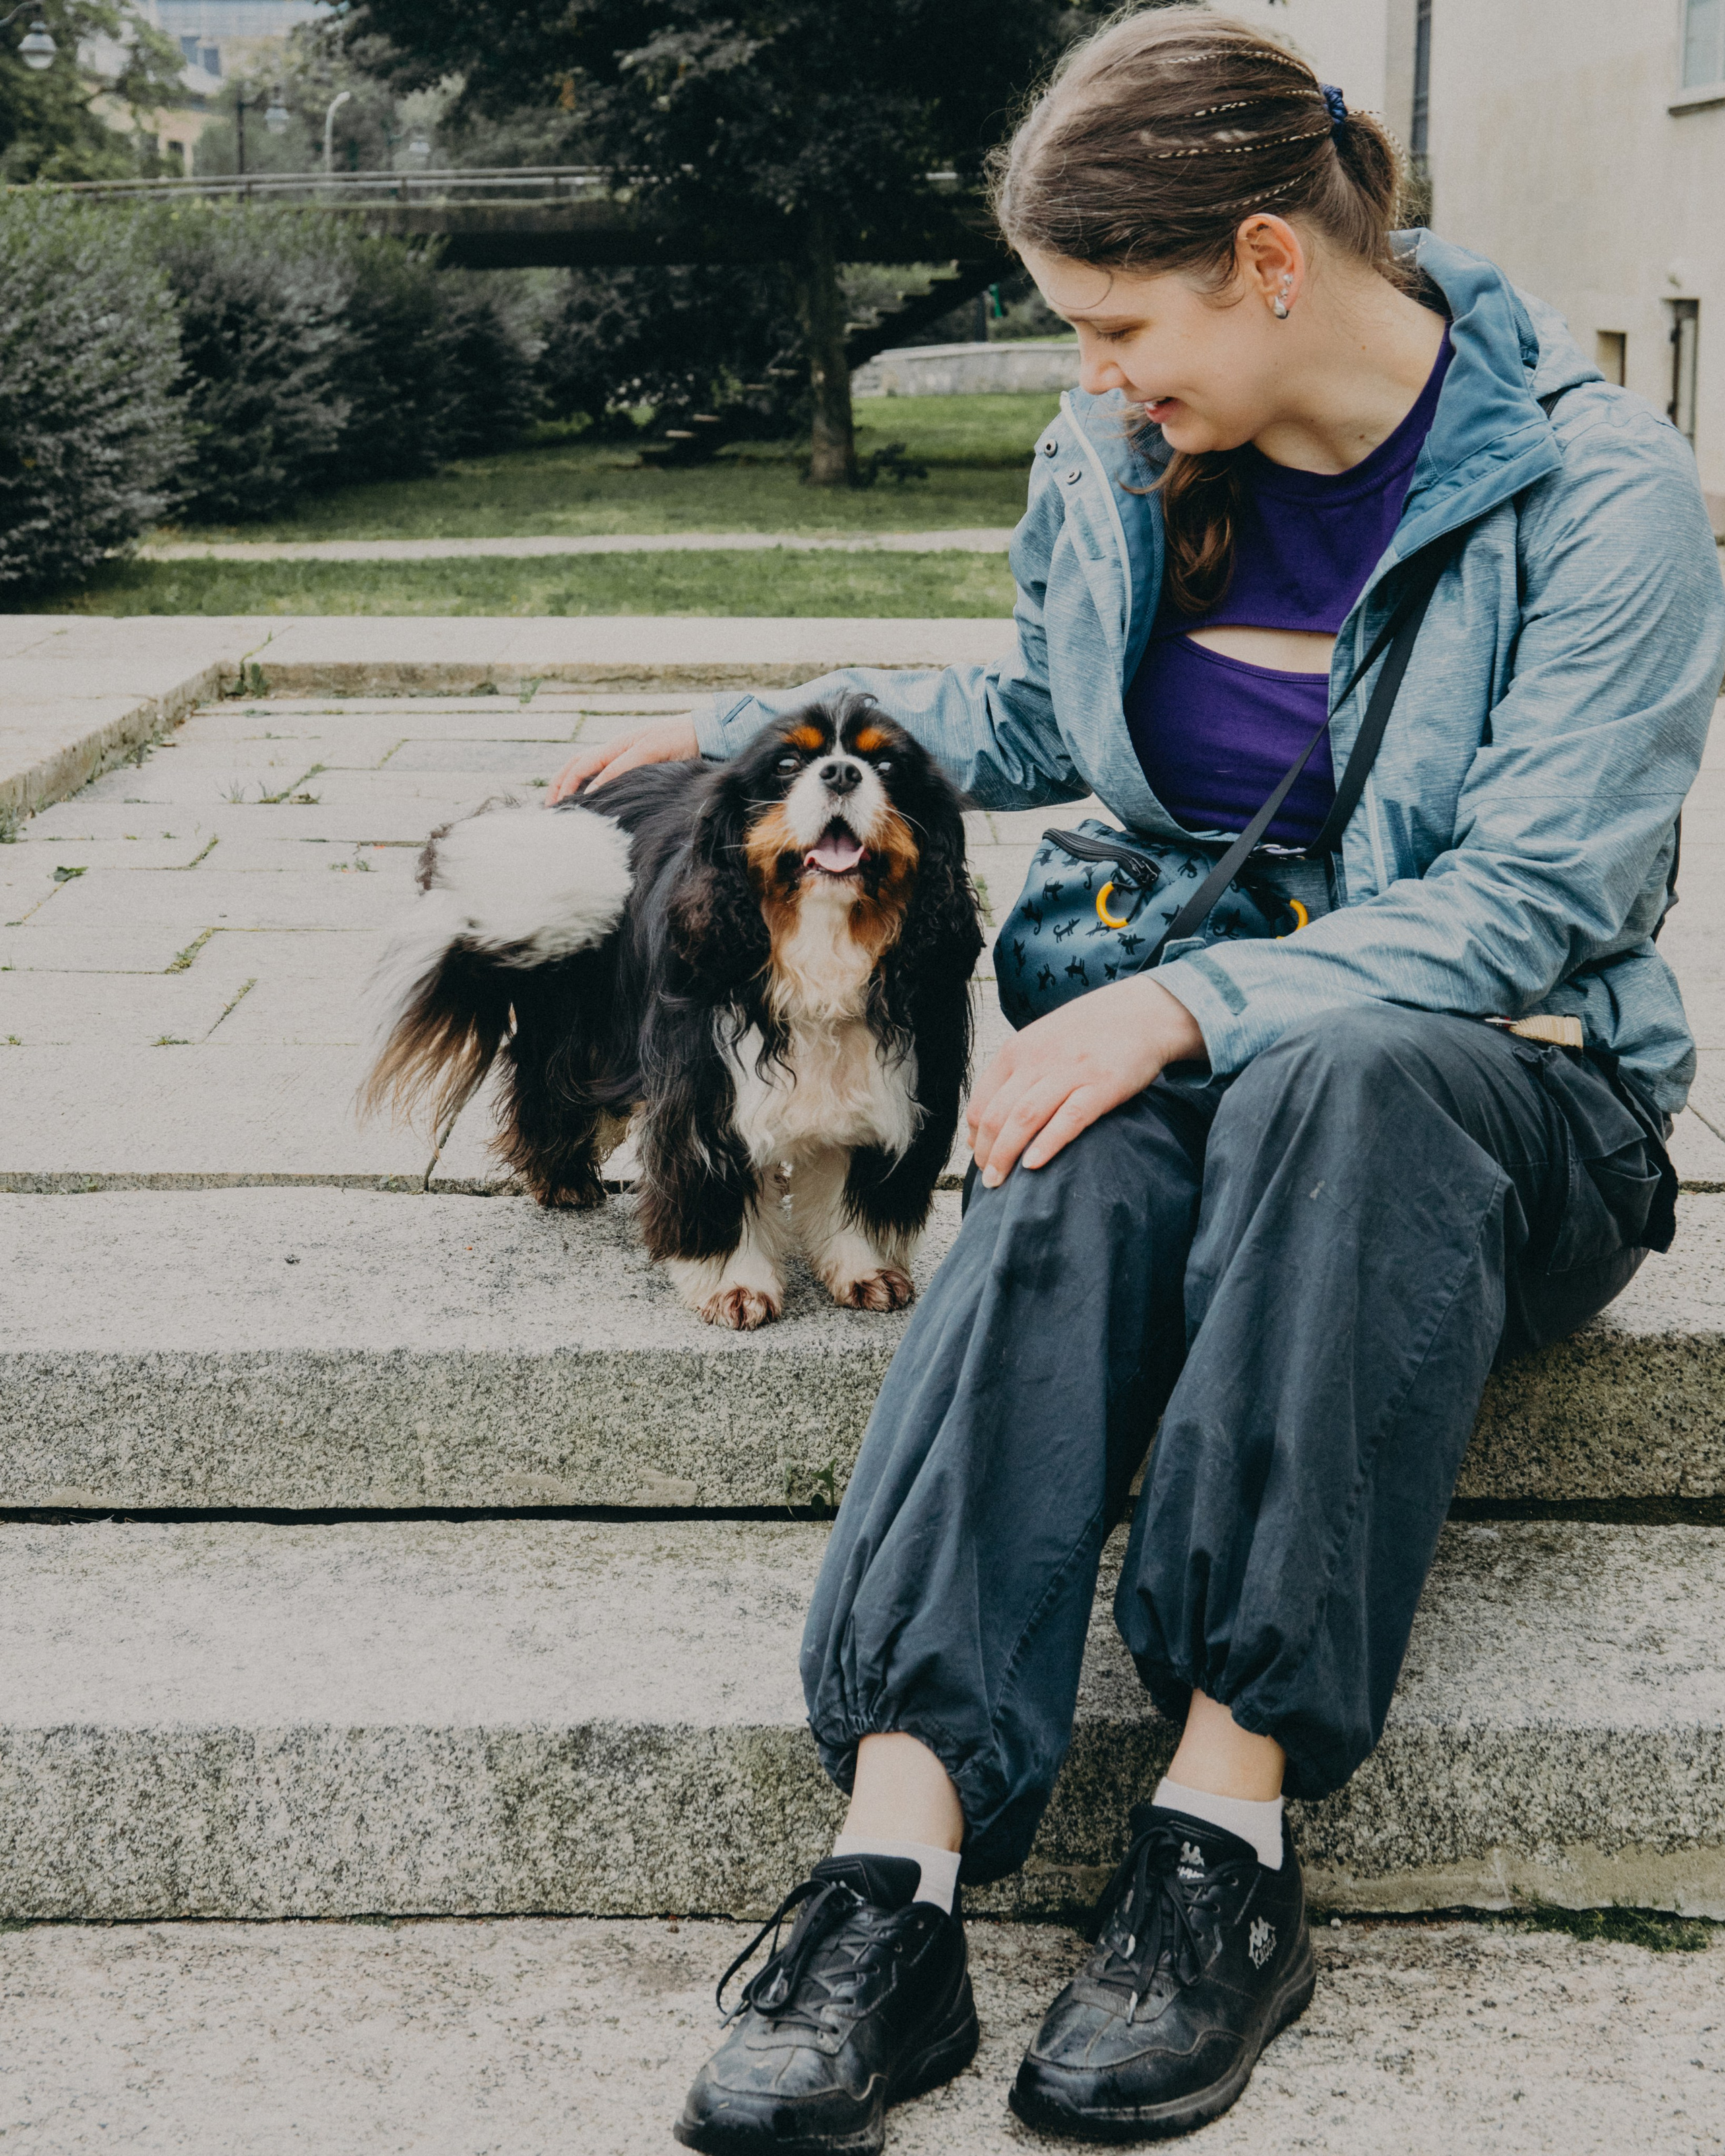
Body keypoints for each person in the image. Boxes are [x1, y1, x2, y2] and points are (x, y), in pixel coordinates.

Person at [551, 9, 1724, 2148]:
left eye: (1115, 321)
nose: (1093, 373)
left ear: (1271, 261)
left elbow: (1531, 899)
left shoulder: (1604, 491)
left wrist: (1174, 1009)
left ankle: (1221, 1848)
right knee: (1084, 1156)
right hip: (1204, 1073)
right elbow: (1043, 704)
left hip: (1503, 1112)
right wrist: (737, 726)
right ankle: (890, 1873)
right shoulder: (1124, 460)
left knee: (1344, 1071)